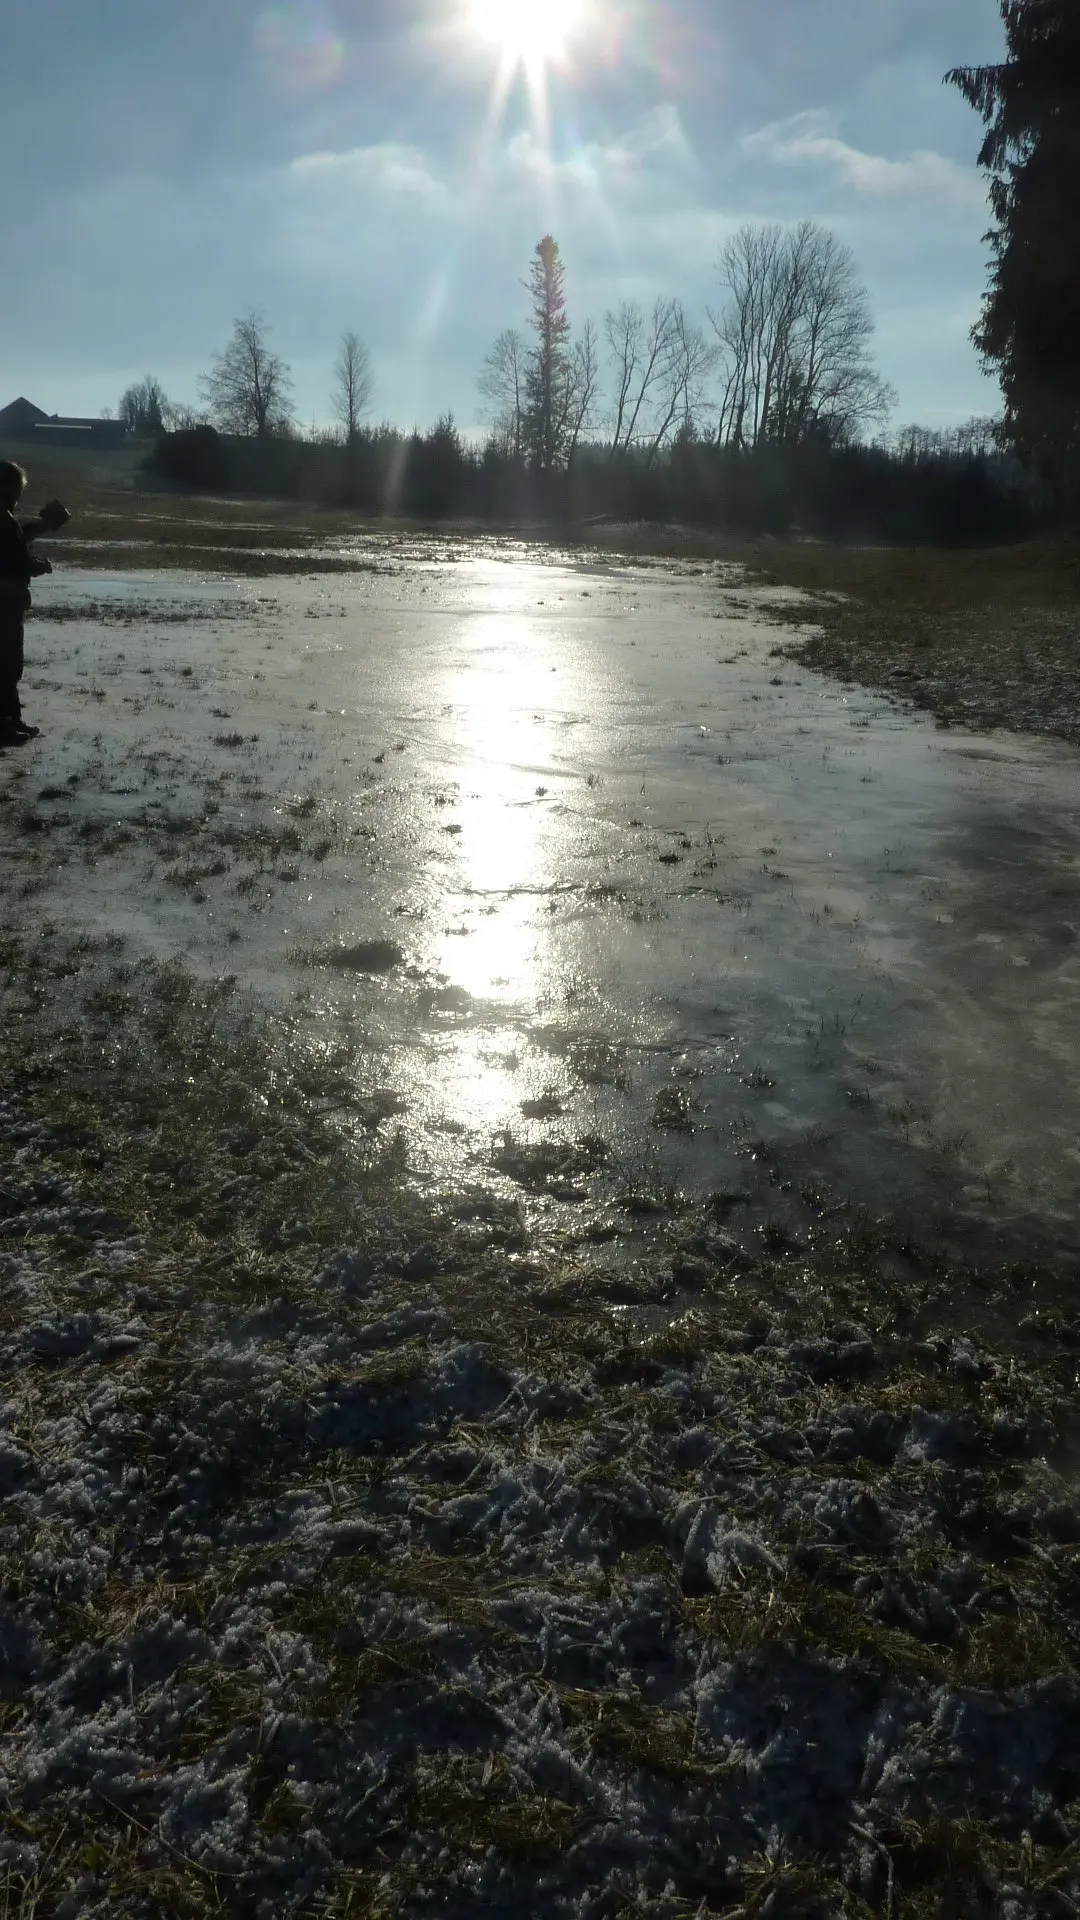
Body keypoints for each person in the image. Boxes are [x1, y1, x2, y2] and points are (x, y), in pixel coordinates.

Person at [0, 461, 70, 742]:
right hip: (5, 598)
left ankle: (10, 719)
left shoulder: (5, 518)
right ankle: (4, 724)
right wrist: (38, 566)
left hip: (8, 597)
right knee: (6, 662)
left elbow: (16, 539)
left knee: (8, 661)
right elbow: (14, 557)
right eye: (17, 488)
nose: (18, 495)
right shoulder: (3, 518)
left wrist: (42, 526)